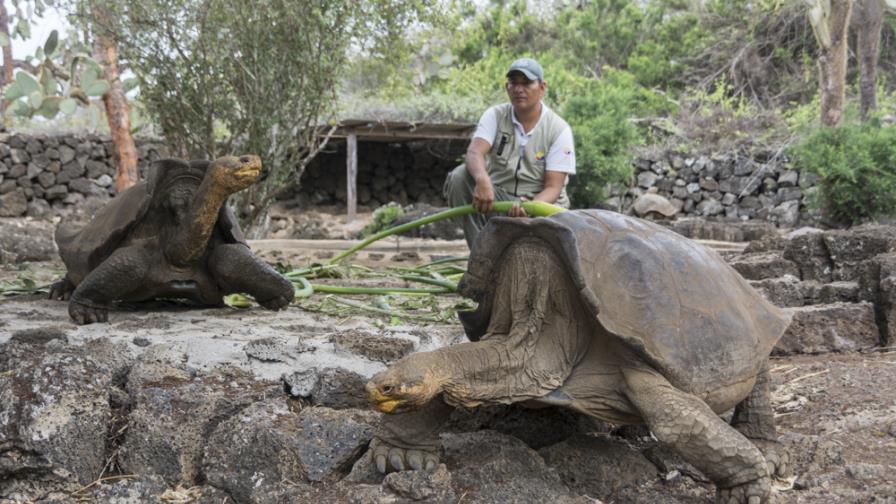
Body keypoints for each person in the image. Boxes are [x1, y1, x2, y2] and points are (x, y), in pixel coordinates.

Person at [443, 57, 576, 248]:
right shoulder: (495, 115)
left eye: (527, 82)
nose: (519, 89)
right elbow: (474, 152)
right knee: (459, 177)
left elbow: (553, 187)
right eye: (514, 83)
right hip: (500, 201)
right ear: (507, 87)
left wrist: (529, 207)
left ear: (542, 87)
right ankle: (482, 253)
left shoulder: (559, 129)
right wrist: (483, 180)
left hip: (541, 206)